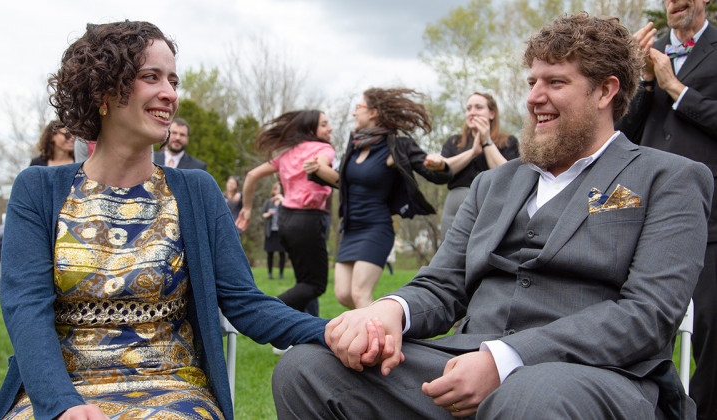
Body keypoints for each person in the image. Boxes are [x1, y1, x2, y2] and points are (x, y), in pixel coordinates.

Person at [273, 12, 713, 419]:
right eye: (532, 81)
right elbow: (444, 283)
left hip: (599, 378)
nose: (534, 98)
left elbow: (647, 315)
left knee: (530, 397)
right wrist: (391, 311)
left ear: (605, 90)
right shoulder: (494, 185)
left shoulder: (669, 178)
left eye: (555, 82)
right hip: (465, 361)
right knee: (306, 367)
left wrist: (505, 360)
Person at [0, 21, 326, 420]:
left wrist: (332, 330)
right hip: (59, 394)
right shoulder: (39, 189)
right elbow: (26, 308)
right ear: (103, 91)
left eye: (173, 80)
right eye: (151, 77)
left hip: (172, 390)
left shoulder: (196, 190)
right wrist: (62, 406)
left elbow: (246, 304)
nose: (170, 94)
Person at [615, 2, 717, 417]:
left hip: (710, 214)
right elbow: (624, 132)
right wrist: (642, 81)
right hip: (647, 208)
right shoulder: (647, 53)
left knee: (710, 327)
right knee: (640, 324)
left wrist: (675, 88)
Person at [305, 87, 452, 309]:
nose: (354, 113)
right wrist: (316, 170)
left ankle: (379, 340)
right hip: (351, 227)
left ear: (373, 112)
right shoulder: (354, 146)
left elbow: (436, 173)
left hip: (376, 228)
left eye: (358, 108)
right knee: (343, 294)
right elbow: (344, 182)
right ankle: (378, 330)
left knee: (360, 294)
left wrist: (440, 165)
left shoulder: (397, 146)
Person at [236, 110, 335, 318]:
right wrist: (327, 172)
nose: (330, 128)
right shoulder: (324, 149)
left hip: (285, 220)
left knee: (304, 283)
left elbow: (252, 175)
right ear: (311, 129)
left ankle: (298, 333)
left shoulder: (288, 154)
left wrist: (247, 207)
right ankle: (267, 311)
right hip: (307, 221)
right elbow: (324, 165)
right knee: (315, 285)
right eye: (324, 124)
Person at [425, 92, 519, 239]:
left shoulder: (508, 142)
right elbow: (444, 168)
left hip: (492, 208)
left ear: (492, 113)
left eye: (478, 107)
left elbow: (509, 177)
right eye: (468, 108)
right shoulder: (454, 142)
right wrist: (473, 152)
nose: (472, 112)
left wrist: (486, 141)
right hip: (455, 211)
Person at [262, 181, 286, 279]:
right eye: (276, 188)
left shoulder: (285, 201)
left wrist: (282, 200)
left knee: (282, 253)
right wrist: (268, 214)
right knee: (270, 253)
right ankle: (270, 273)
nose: (277, 191)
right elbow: (263, 214)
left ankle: (281, 274)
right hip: (270, 231)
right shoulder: (269, 202)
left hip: (281, 231)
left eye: (279, 189)